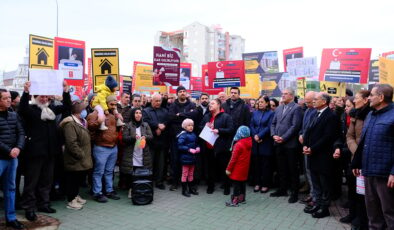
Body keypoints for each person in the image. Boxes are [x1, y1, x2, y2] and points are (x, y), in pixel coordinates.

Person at [19, 81, 71, 221]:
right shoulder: (31, 110)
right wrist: (25, 91)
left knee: (47, 180)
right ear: (35, 97)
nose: (44, 99)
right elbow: (22, 108)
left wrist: (66, 91)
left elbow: (67, 107)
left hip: (50, 152)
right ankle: (29, 207)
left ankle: (44, 203)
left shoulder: (51, 109)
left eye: (46, 97)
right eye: (41, 96)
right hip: (35, 152)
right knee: (31, 182)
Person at [352, 84, 394, 230]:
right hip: (368, 172)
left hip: (385, 175)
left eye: (372, 95)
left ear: (381, 97)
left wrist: (393, 172)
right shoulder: (370, 114)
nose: (369, 98)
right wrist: (357, 163)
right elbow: (364, 141)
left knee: (389, 213)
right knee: (372, 213)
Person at [303, 92, 340, 218]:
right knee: (316, 182)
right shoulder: (315, 113)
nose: (313, 101)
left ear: (324, 101)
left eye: (315, 99)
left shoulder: (331, 116)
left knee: (324, 184)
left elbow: (327, 137)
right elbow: (308, 131)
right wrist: (306, 145)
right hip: (312, 154)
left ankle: (325, 208)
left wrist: (312, 148)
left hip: (323, 156)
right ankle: (317, 204)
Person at [270, 88, 303, 203]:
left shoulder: (297, 108)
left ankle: (294, 193)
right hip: (278, 143)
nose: (282, 96)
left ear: (291, 96)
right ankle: (282, 189)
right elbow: (273, 123)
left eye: (285, 94)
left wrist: (283, 138)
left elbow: (295, 126)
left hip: (290, 144)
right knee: (281, 168)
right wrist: (274, 135)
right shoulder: (279, 108)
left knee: (292, 169)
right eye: (282, 94)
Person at [343, 91, 370, 230]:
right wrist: (357, 152)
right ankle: (354, 216)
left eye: (357, 99)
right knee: (354, 191)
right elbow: (349, 136)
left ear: (366, 100)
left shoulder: (372, 114)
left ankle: (362, 221)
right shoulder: (355, 115)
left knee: (366, 195)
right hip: (355, 159)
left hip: (369, 160)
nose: (355, 101)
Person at [60, 98, 92, 210]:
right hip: (74, 158)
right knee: (72, 179)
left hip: (81, 158)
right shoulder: (70, 124)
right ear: (78, 111)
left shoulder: (81, 122)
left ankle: (75, 195)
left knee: (78, 178)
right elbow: (71, 143)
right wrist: (80, 154)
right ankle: (71, 200)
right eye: (83, 109)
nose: (85, 111)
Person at [87, 95, 120, 203]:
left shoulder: (114, 114)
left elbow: (117, 128)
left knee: (109, 171)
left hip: (113, 147)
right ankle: (97, 192)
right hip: (101, 147)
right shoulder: (96, 114)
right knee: (99, 171)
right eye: (112, 104)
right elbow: (90, 126)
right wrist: (99, 121)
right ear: (106, 103)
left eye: (115, 104)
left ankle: (109, 190)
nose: (114, 106)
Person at [0, 89, 25, 229]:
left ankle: (11, 218)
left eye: (9, 98)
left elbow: (21, 133)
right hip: (2, 157)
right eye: (5, 98)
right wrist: (9, 150)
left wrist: (18, 148)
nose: (9, 100)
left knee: (11, 188)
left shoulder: (13, 115)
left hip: (13, 158)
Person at [200, 99, 234, 195]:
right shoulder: (207, 116)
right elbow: (199, 127)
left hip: (222, 147)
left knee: (224, 168)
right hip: (209, 147)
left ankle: (227, 187)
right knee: (210, 168)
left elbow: (231, 129)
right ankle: (210, 186)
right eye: (209, 104)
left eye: (212, 103)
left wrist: (219, 130)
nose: (210, 105)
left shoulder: (226, 117)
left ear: (219, 105)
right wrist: (204, 126)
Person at [168, 86, 196, 191]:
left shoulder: (192, 104)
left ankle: (190, 183)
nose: (183, 93)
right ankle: (175, 182)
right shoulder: (173, 105)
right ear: (177, 94)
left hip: (189, 138)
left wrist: (180, 115)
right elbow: (171, 117)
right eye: (180, 91)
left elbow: (194, 115)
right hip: (176, 137)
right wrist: (185, 117)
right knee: (175, 160)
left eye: (184, 91)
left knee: (189, 160)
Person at [121, 108, 153, 198]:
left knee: (141, 171)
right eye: (136, 113)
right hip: (132, 152)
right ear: (133, 114)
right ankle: (131, 189)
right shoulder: (128, 125)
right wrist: (133, 137)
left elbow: (151, 136)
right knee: (132, 172)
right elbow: (124, 138)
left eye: (140, 113)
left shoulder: (145, 125)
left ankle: (140, 188)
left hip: (143, 152)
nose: (138, 115)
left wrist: (145, 137)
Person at [143, 93, 170, 190]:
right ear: (152, 101)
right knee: (149, 163)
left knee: (161, 163)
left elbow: (168, 121)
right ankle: (148, 181)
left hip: (162, 141)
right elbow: (145, 122)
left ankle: (159, 182)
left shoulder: (165, 110)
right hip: (151, 141)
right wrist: (157, 126)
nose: (158, 103)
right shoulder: (146, 111)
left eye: (160, 101)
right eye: (156, 101)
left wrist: (163, 127)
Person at [250, 96, 274, 193]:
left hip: (266, 141)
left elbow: (269, 127)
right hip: (256, 142)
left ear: (267, 103)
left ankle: (265, 184)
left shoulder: (271, 113)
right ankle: (257, 183)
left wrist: (260, 136)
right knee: (256, 164)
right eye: (259, 102)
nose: (260, 103)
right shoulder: (255, 113)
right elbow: (251, 125)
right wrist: (255, 135)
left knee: (266, 165)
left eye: (262, 102)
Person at [225, 126, 252, 207]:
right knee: (242, 183)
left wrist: (228, 169)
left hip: (237, 169)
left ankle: (235, 201)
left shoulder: (238, 145)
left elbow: (233, 159)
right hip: (245, 168)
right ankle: (242, 199)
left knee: (236, 184)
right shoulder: (249, 142)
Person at [298, 91, 317, 206]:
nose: (307, 104)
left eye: (309, 102)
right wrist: (301, 134)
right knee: (306, 170)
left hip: (311, 145)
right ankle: (312, 193)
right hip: (304, 144)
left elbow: (312, 128)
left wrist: (305, 136)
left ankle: (314, 195)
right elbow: (303, 126)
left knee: (311, 171)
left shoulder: (316, 112)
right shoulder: (307, 110)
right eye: (306, 101)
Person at [177, 119, 200, 197]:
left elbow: (196, 143)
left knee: (191, 174)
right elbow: (180, 146)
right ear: (185, 126)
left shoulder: (194, 134)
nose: (191, 127)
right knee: (185, 174)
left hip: (192, 158)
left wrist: (197, 147)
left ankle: (191, 188)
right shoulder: (183, 135)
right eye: (189, 125)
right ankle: (184, 190)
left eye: (192, 125)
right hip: (185, 158)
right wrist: (189, 149)